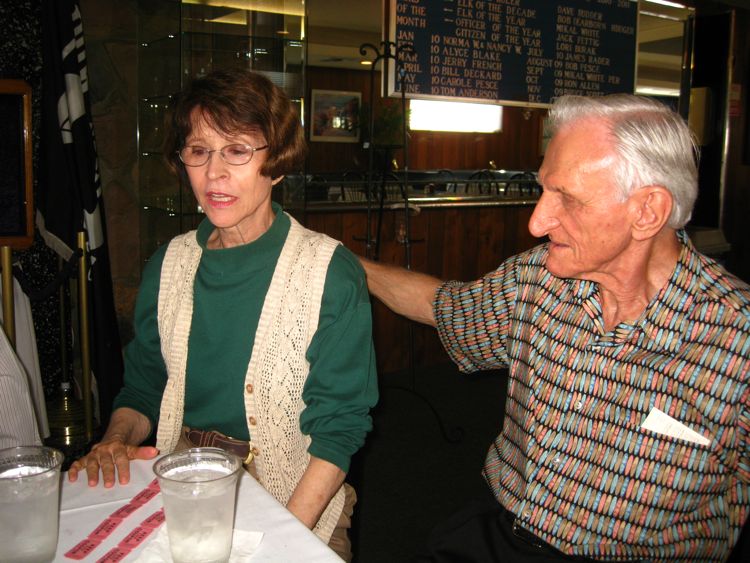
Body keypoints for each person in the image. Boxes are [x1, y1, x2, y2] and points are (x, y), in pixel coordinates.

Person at [361, 94, 750, 562]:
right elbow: (442, 305)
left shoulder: (737, 339)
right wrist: (344, 264)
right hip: (495, 532)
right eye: (543, 189)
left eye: (567, 197)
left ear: (647, 210)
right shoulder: (537, 279)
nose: (537, 221)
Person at [68, 68, 378, 560]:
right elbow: (145, 387)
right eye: (198, 151)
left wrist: (283, 537)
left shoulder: (330, 273)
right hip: (183, 480)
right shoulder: (167, 266)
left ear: (275, 163)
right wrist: (114, 439)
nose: (214, 174)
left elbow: (339, 430)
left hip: (297, 493)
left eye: (236, 151)